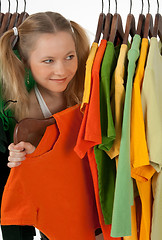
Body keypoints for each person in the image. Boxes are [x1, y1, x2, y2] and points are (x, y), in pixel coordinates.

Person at [0, 11, 91, 240]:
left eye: (70, 56)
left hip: (90, 201)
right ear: (26, 61)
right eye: (48, 61)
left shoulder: (86, 88)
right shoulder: (25, 108)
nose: (62, 70)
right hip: (57, 207)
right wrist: (21, 155)